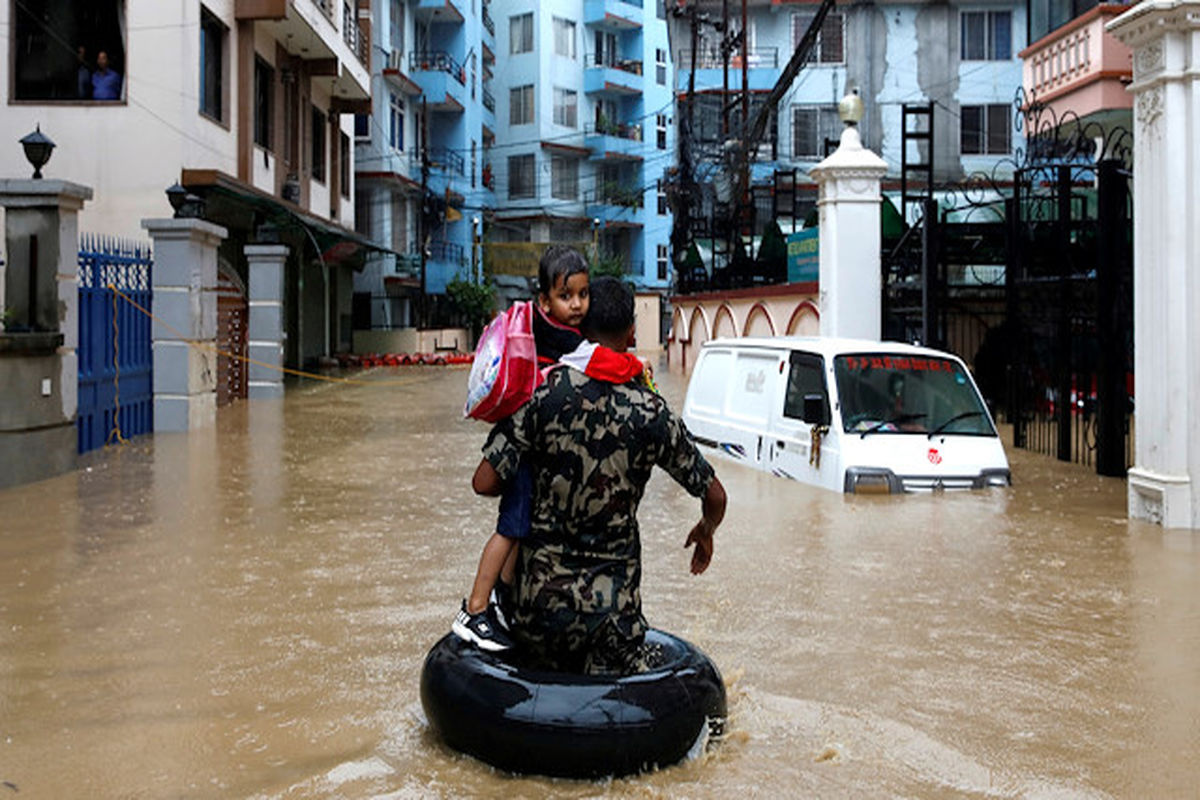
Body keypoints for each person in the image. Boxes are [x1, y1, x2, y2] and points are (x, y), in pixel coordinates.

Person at [472, 277, 727, 675]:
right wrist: (706, 531)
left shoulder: (543, 394)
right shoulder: (651, 412)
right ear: (632, 333)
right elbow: (715, 495)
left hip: (538, 616)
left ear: (580, 329)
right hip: (613, 624)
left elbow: (484, 482)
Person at [452, 248, 648, 651]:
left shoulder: (544, 324)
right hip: (524, 445)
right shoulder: (561, 338)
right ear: (545, 301)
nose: (576, 305)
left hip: (528, 441)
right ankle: (474, 609)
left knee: (521, 529)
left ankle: (503, 600)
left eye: (582, 295)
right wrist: (636, 369)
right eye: (566, 297)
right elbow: (601, 364)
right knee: (511, 529)